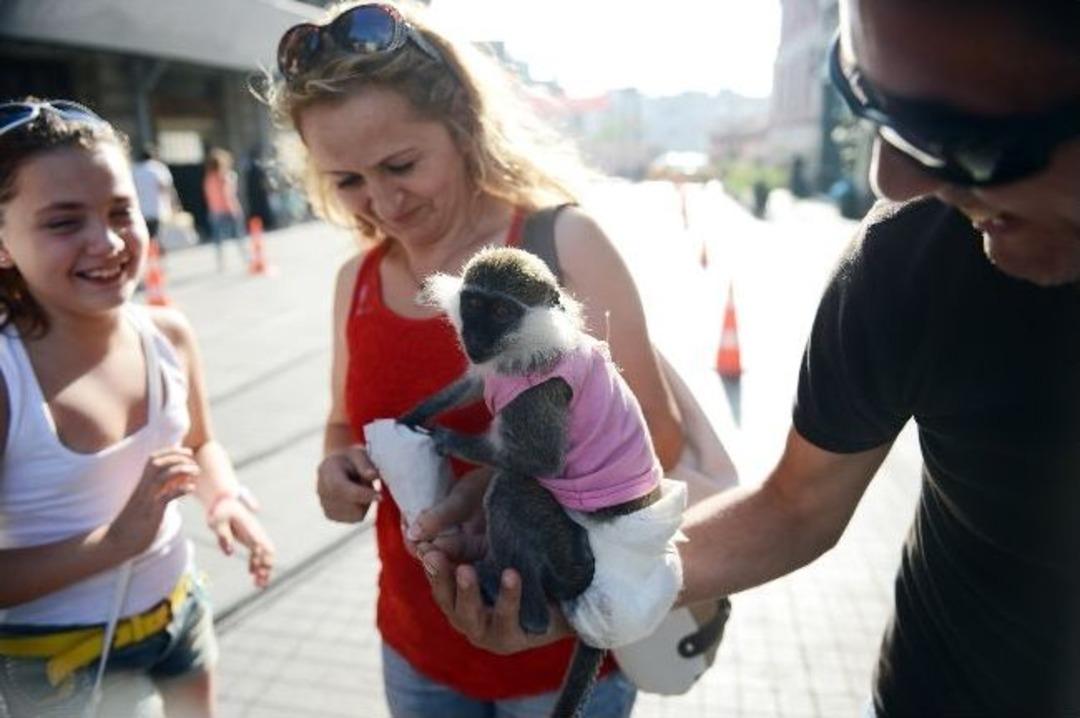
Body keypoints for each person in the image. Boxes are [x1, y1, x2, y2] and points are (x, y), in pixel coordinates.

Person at [417, 0, 1080, 715]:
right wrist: (601, 598)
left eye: (957, 137)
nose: (892, 177)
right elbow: (795, 509)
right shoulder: (911, 261)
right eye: (868, 101)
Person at [263, 2, 685, 715]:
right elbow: (344, 423)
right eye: (347, 181)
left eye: (401, 164)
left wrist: (497, 489)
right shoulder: (357, 283)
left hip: (560, 647)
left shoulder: (563, 245)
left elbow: (658, 445)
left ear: (461, 123)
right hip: (416, 643)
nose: (383, 202)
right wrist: (335, 469)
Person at [0, 99, 275, 717]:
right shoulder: (7, 376)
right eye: (64, 222)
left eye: (121, 211)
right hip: (58, 659)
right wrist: (115, 542)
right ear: (3, 244)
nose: (108, 241)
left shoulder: (168, 334)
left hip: (180, 611)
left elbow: (199, 445)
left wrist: (224, 498)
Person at [202, 148, 247, 271]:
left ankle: (221, 264)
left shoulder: (208, 179)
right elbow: (227, 195)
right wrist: (232, 210)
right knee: (239, 236)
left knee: (218, 240)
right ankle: (246, 259)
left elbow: (209, 197)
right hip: (229, 210)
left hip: (215, 212)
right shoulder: (226, 177)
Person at [131, 143, 178, 251]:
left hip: (140, 209)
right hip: (158, 209)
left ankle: (150, 258)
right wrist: (175, 204)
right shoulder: (158, 168)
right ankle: (156, 260)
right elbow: (167, 188)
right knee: (158, 236)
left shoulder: (134, 170)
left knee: (147, 235)